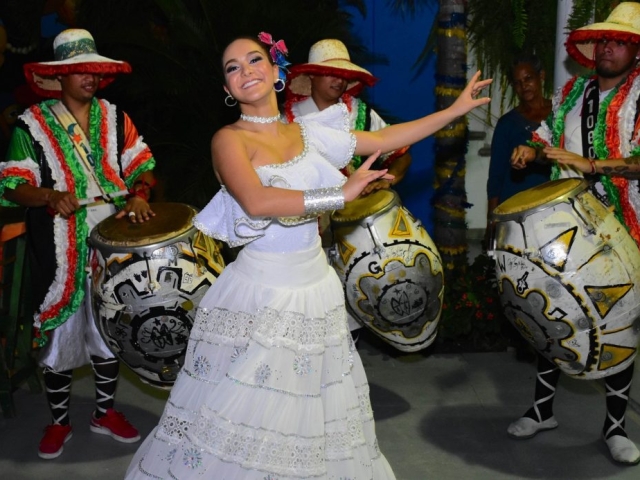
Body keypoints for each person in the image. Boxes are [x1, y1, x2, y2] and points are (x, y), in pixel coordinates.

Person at [125, 32, 490, 479]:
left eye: (254, 60)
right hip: (262, 294)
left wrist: (452, 112)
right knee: (251, 413)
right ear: (227, 89)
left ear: (277, 73)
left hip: (316, 289)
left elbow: (388, 137)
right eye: (232, 67)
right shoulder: (229, 140)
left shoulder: (310, 133)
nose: (245, 71)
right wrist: (338, 193)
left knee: (311, 409)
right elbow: (257, 203)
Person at [0, 29, 156, 460]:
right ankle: (58, 422)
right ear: (60, 76)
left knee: (110, 325)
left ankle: (104, 412)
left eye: (94, 69)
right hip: (58, 240)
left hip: (111, 236)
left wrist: (140, 193)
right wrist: (49, 196)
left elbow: (141, 164)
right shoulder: (31, 124)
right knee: (60, 334)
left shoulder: (115, 117)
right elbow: (13, 185)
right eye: (79, 69)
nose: (89, 76)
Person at [510, 2, 640, 465]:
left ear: (635, 51)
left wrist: (593, 166)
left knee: (617, 323)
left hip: (623, 229)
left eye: (619, 42)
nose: (607, 47)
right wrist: (530, 149)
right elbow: (547, 138)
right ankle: (543, 410)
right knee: (554, 312)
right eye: (603, 40)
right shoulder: (572, 93)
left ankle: (615, 427)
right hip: (566, 226)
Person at [285, 39, 413, 339]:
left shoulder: (361, 114)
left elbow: (402, 153)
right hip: (305, 229)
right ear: (312, 77)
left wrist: (387, 179)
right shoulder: (289, 120)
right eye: (330, 72)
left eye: (343, 74)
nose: (339, 79)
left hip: (353, 226)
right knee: (310, 307)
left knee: (353, 297)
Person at [486, 54, 552, 362]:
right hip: (517, 215)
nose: (524, 86)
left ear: (541, 77)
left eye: (529, 78)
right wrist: (493, 220)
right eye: (518, 81)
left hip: (552, 212)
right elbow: (496, 175)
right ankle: (528, 337)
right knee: (522, 279)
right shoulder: (508, 123)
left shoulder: (559, 115)